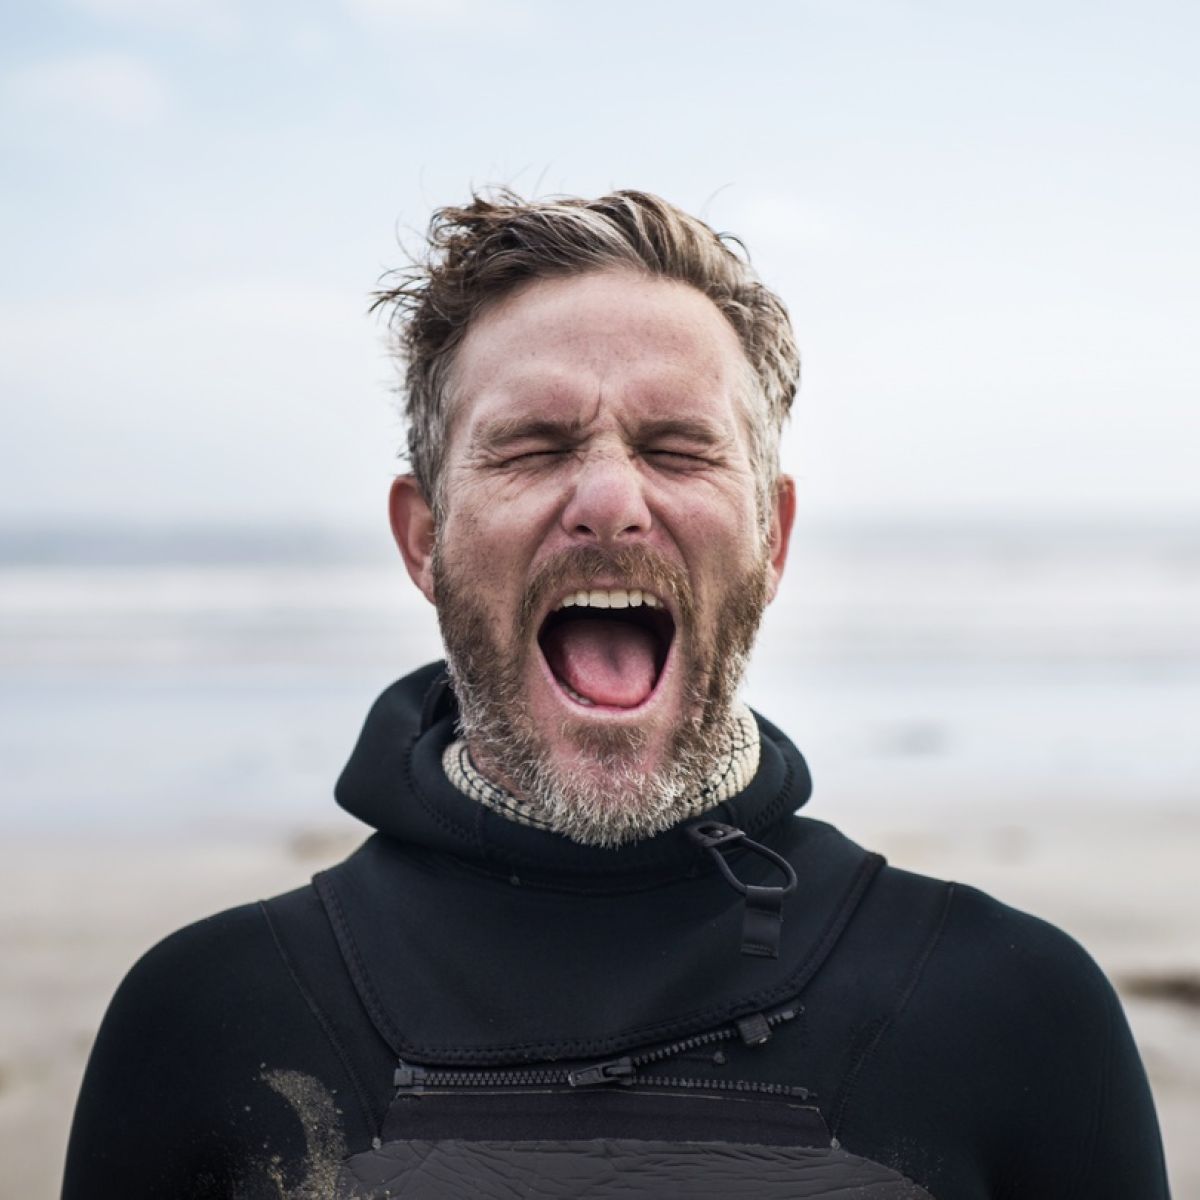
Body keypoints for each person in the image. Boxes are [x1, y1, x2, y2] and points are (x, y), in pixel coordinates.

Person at [62, 191, 1171, 1199]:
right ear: (425, 539)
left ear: (773, 538)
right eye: (532, 447)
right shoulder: (208, 1018)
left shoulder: (1016, 1012)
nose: (607, 499)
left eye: (677, 447)